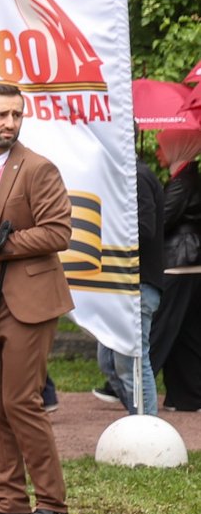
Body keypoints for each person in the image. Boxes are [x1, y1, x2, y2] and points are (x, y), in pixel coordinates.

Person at [0, 83, 73, 514]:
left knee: (21, 401)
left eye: (17, 115)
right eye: (2, 115)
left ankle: (53, 504)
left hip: (29, 299)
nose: (10, 123)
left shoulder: (39, 168)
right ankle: (10, 502)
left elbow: (58, 232)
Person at [95, 159, 167, 414]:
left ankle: (146, 425)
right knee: (109, 362)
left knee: (133, 362)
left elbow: (145, 230)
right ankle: (139, 420)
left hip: (138, 286)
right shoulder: (125, 176)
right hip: (122, 285)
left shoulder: (137, 177)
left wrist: (106, 229)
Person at [152, 130, 201, 411]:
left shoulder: (182, 182)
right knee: (186, 333)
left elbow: (162, 220)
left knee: (161, 326)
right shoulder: (186, 177)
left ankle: (126, 384)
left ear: (177, 147)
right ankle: (188, 395)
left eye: (162, 147)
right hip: (190, 263)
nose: (158, 153)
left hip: (178, 263)